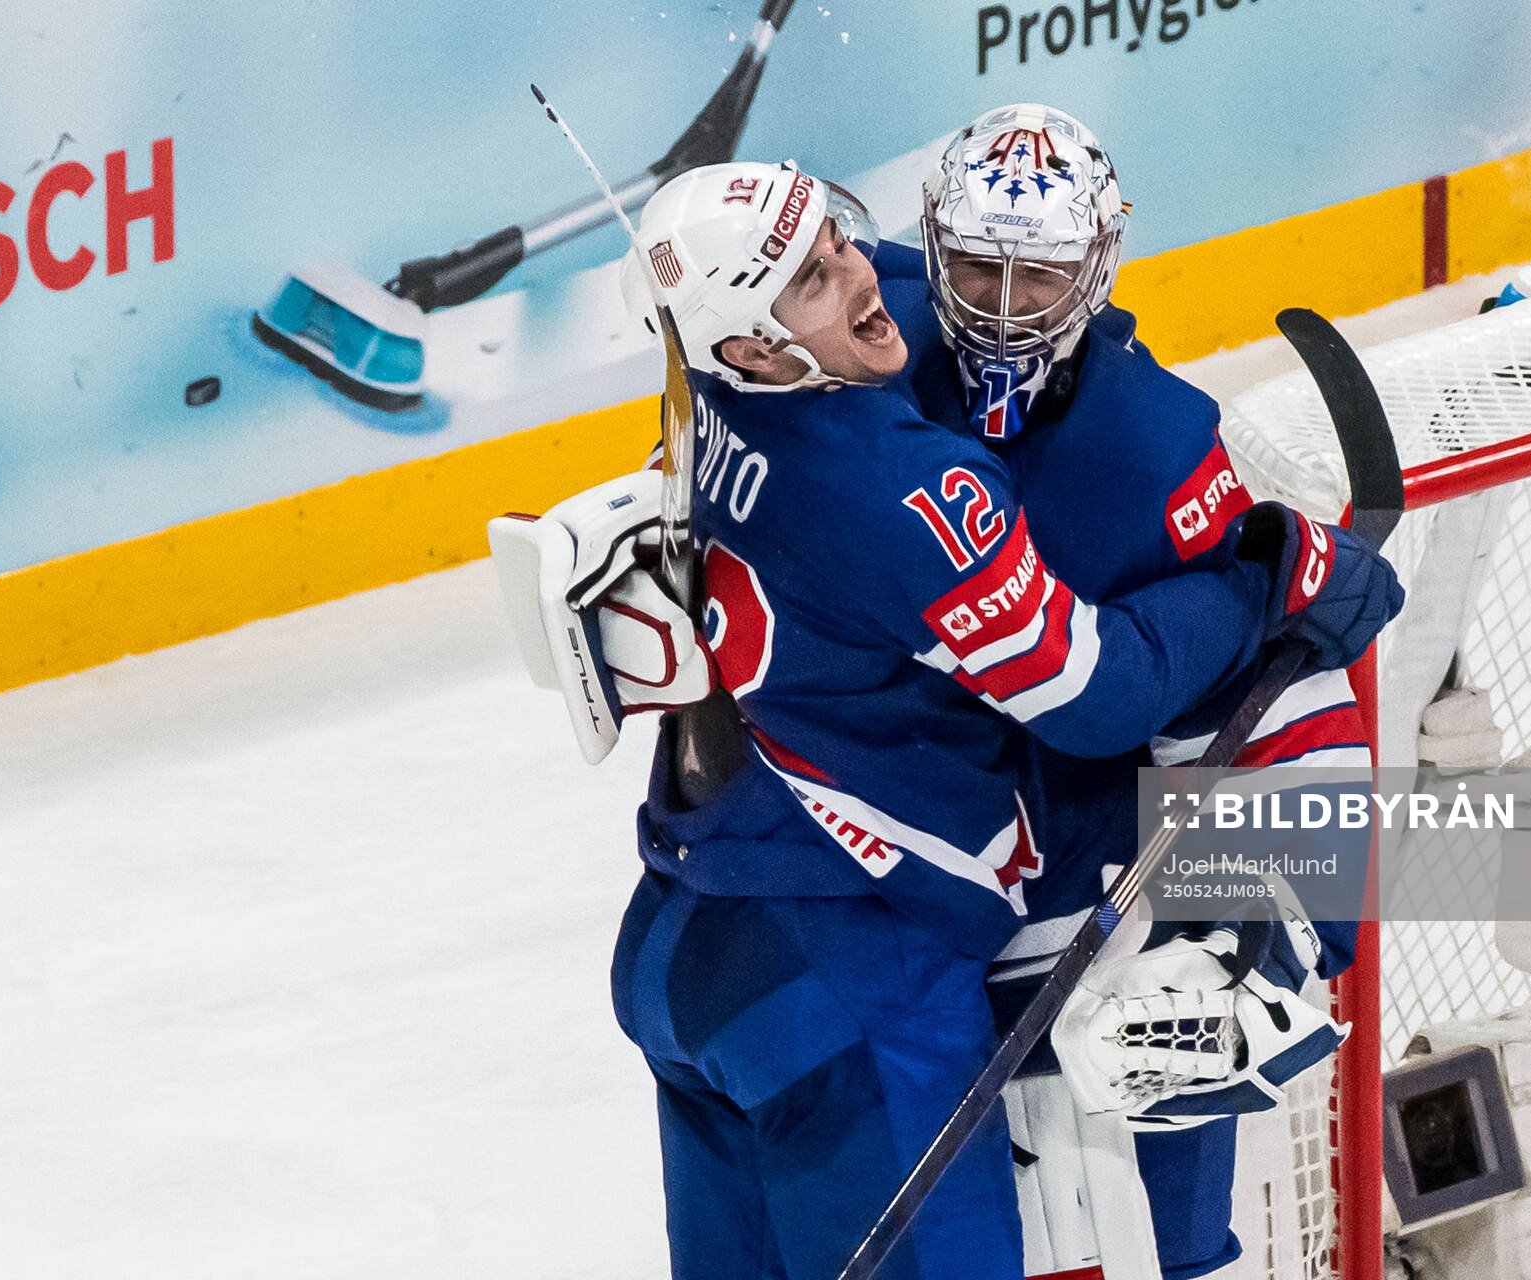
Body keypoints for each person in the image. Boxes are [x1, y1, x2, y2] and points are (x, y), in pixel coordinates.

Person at [494, 159, 1391, 1280]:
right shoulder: (893, 489)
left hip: (694, 938)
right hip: (847, 983)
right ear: (757, 349)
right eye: (814, 283)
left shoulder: (708, 388)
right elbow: (1097, 694)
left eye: (839, 242)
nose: (862, 279)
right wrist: (1269, 576)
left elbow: (902, 292)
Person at [872, 103, 1397, 1280]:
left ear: (1099, 264)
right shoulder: (871, 342)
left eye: (1041, 275)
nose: (1003, 307)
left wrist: (1285, 930)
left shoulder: (1153, 450)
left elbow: (1280, 691)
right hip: (915, 889)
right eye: (976, 267)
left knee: (1161, 1231)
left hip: (1102, 899)